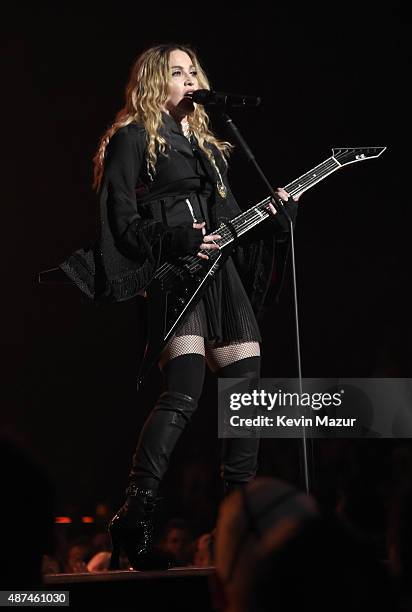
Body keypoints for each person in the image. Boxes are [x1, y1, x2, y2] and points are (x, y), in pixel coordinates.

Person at [53, 43, 300, 570]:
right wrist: (178, 241)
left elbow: (231, 220)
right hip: (174, 274)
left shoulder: (208, 148)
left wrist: (276, 216)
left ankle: (240, 522)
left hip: (221, 279)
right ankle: (135, 515)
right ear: (153, 82)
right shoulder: (132, 138)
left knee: (246, 397)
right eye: (177, 72)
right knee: (184, 393)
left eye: (193, 71)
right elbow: (119, 220)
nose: (189, 80)